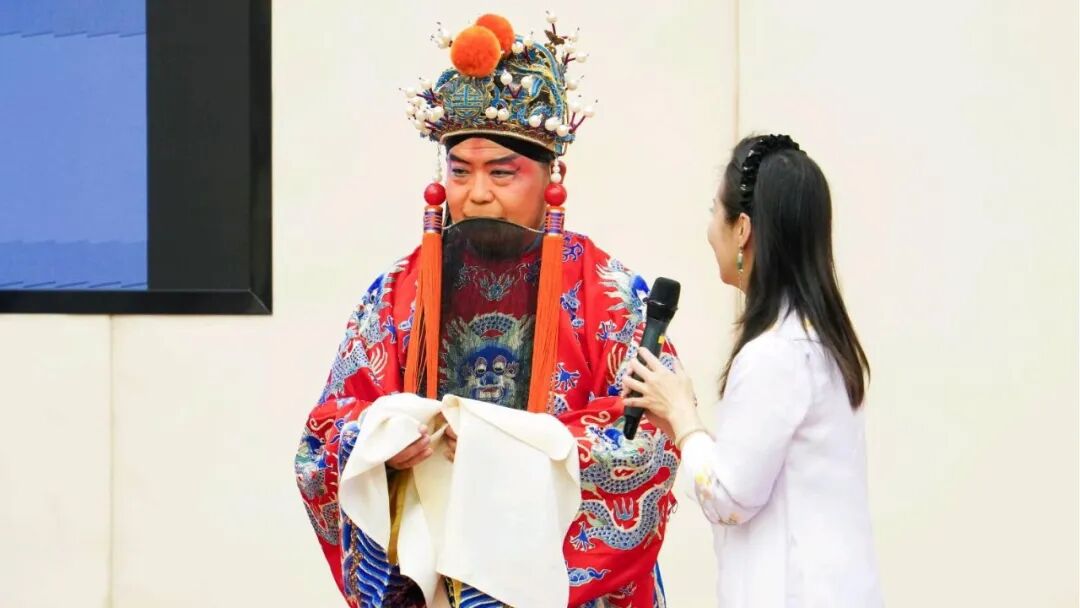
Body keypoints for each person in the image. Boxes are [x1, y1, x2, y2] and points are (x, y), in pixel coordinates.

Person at [295, 12, 681, 607]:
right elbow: (319, 442)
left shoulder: (606, 295)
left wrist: (508, 449)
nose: (477, 194)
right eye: (459, 172)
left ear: (551, 176)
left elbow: (650, 439)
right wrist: (376, 446)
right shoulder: (397, 292)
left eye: (503, 173)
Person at [622, 135, 883, 607]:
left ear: (742, 228)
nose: (709, 231)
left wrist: (684, 417)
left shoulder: (774, 354)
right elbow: (758, 475)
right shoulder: (819, 341)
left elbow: (730, 498)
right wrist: (677, 423)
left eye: (714, 211)